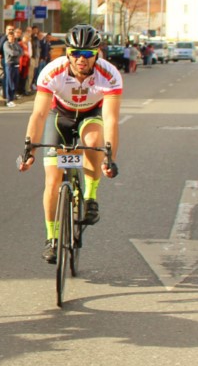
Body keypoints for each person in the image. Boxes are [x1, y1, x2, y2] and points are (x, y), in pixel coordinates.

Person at [17, 25, 121, 265]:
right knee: (53, 180)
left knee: (94, 142)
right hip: (60, 115)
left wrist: (109, 158)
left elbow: (112, 119)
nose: (80, 59)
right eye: (75, 53)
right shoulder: (53, 71)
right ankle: (52, 239)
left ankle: (90, 196)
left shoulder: (110, 74)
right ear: (68, 53)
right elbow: (39, 115)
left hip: (90, 114)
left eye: (87, 54)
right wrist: (29, 151)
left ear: (97, 53)